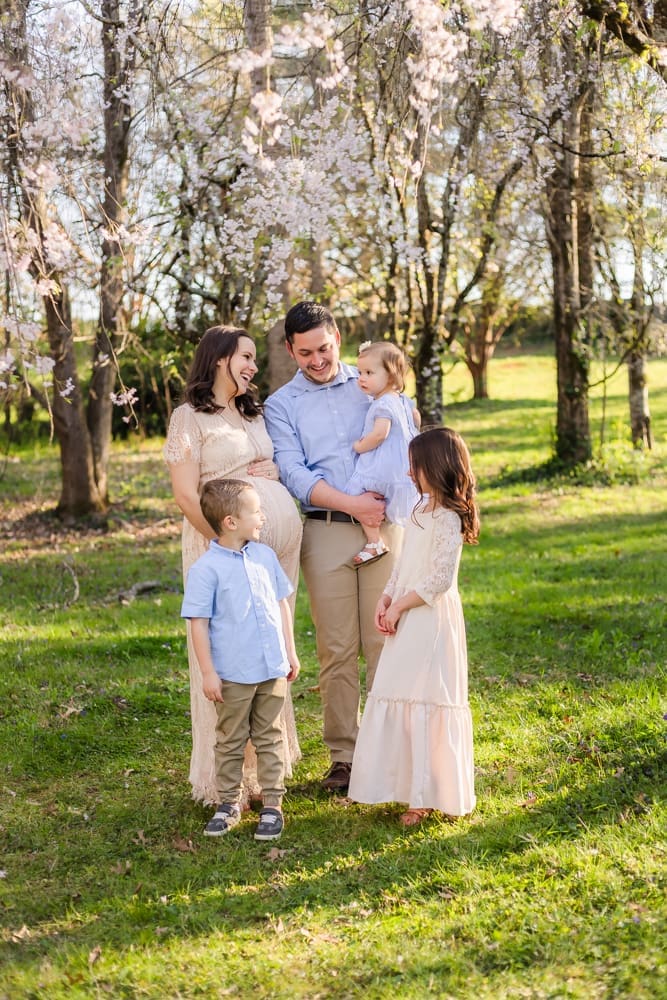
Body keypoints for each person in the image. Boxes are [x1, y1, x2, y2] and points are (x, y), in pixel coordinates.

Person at [264, 301, 402, 794]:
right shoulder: (280, 405)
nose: (317, 360)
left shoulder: (371, 381)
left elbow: (404, 431)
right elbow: (295, 474)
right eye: (305, 353)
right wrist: (352, 504)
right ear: (290, 350)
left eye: (323, 348)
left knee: (386, 638)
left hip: (384, 526)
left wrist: (384, 505)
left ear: (338, 338)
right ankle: (345, 756)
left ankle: (392, 751)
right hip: (324, 530)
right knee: (337, 648)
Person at [164, 325, 303, 807]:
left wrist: (275, 474)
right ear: (220, 358)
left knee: (266, 649)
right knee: (231, 654)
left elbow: (270, 463)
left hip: (269, 552)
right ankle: (228, 780)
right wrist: (228, 547)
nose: (252, 367)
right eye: (245, 357)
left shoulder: (252, 411)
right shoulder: (189, 418)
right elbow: (185, 493)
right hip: (222, 550)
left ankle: (266, 769)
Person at [348, 426, 479, 826]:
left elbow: (439, 579)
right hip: (406, 610)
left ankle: (425, 797)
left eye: (414, 467)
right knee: (397, 691)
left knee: (425, 698)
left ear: (435, 467)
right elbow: (404, 564)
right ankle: (399, 784)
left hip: (429, 617)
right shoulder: (420, 510)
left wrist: (401, 606)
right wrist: (386, 599)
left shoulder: (450, 518)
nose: (409, 474)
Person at [181, 479, 300, 840]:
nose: (262, 516)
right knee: (231, 739)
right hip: (233, 673)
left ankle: (273, 804)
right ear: (231, 521)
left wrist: (290, 651)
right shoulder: (206, 570)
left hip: (271, 668)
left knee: (269, 735)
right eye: (255, 511)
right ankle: (229, 802)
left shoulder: (265, 556)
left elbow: (282, 605)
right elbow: (198, 625)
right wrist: (208, 673)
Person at [345, 340, 421, 567]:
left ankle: (374, 540)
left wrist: (360, 446)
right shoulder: (402, 400)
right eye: (360, 372)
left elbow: (380, 434)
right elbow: (416, 419)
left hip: (383, 467)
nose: (361, 378)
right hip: (403, 466)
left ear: (390, 375)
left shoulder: (381, 404)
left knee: (356, 492)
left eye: (369, 372)